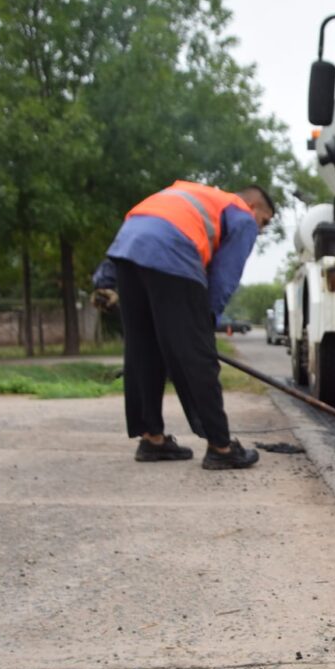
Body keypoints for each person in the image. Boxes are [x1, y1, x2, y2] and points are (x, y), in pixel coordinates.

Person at [92, 180, 274, 470]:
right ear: (254, 207)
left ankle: (152, 439)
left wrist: (105, 281)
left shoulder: (187, 193)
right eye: (263, 222)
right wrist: (204, 324)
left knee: (144, 351)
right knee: (197, 357)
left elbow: (141, 227)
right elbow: (224, 276)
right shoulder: (241, 213)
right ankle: (221, 447)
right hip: (172, 252)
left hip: (126, 251)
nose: (260, 229)